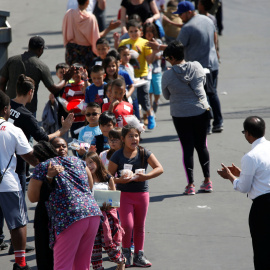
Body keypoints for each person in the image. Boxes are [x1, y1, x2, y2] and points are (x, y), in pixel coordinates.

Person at [147, 1, 223, 133]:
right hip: (213, 63)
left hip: (200, 67)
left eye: (181, 14)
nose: (180, 17)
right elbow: (215, 36)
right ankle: (218, 122)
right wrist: (215, 51)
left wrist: (158, 47)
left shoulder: (188, 28)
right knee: (213, 93)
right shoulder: (207, 19)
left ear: (189, 12)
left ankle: (207, 125)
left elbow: (176, 48)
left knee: (201, 96)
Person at [27, 142, 102, 270]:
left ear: (37, 158)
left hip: (70, 218)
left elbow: (33, 197)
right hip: (92, 213)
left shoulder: (43, 166)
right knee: (82, 265)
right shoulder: (76, 160)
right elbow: (90, 185)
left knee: (62, 266)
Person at [217, 116, 270, 270]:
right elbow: (263, 175)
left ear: (247, 133)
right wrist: (241, 173)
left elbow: (243, 187)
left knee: (262, 252)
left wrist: (230, 176)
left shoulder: (250, 157)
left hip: (263, 209)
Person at [108, 124, 163, 267]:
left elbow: (159, 168)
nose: (134, 139)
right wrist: (120, 180)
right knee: (127, 224)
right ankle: (126, 254)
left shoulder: (144, 153)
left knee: (139, 226)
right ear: (123, 139)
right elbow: (107, 176)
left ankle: (139, 255)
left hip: (141, 194)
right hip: (124, 194)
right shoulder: (117, 154)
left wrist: (145, 177)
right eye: (130, 136)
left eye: (136, 136)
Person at [162, 41, 212, 195]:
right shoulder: (196, 66)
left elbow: (166, 95)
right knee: (202, 145)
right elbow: (203, 83)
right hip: (201, 111)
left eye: (167, 58)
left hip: (180, 114)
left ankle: (190, 185)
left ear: (172, 57)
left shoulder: (168, 75)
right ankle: (207, 181)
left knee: (187, 148)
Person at [0, 91, 38, 270]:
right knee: (18, 224)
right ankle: (20, 264)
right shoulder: (13, 130)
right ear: (6, 109)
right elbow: (30, 157)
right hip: (8, 184)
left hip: (7, 184)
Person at [0, 36, 74, 114]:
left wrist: (6, 101)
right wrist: (65, 79)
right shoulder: (41, 66)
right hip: (28, 109)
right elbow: (54, 89)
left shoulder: (12, 60)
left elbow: (1, 82)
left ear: (29, 47)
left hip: (10, 108)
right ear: (40, 49)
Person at [84, 152, 126, 270]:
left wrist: (109, 204)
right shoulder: (84, 179)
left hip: (106, 218)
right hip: (91, 217)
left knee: (109, 245)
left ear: (97, 162)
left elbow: (114, 199)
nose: (89, 166)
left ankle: (121, 260)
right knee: (93, 248)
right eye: (86, 164)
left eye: (91, 162)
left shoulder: (107, 177)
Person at [62, 0, 120, 73]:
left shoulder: (69, 13)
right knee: (86, 75)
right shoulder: (90, 18)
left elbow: (64, 31)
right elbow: (96, 38)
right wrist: (109, 28)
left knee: (72, 75)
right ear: (87, 2)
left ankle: (71, 84)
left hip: (71, 51)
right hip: (86, 52)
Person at [119, 19, 157, 129]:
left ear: (140, 31)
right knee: (133, 101)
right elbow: (119, 58)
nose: (134, 33)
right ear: (128, 32)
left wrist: (154, 51)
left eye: (136, 31)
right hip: (129, 77)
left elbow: (149, 60)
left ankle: (150, 115)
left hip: (143, 76)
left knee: (144, 99)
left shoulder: (144, 42)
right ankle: (137, 123)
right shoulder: (124, 43)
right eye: (131, 31)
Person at [62, 63, 89, 139]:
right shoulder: (68, 86)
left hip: (85, 120)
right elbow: (64, 100)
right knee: (75, 142)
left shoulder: (85, 84)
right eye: (73, 73)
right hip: (73, 120)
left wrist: (85, 79)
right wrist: (66, 107)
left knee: (85, 141)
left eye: (77, 72)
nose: (75, 75)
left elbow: (89, 94)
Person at [143, 22, 162, 114]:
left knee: (157, 92)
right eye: (147, 31)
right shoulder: (143, 43)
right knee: (149, 92)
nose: (149, 33)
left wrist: (151, 55)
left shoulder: (158, 42)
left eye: (151, 31)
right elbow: (146, 58)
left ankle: (156, 101)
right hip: (147, 72)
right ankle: (150, 111)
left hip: (157, 71)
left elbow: (159, 56)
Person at [118, 45, 140, 120]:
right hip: (127, 94)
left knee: (136, 111)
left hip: (132, 92)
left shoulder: (129, 65)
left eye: (128, 54)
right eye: (124, 55)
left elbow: (131, 79)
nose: (127, 57)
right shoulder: (120, 70)